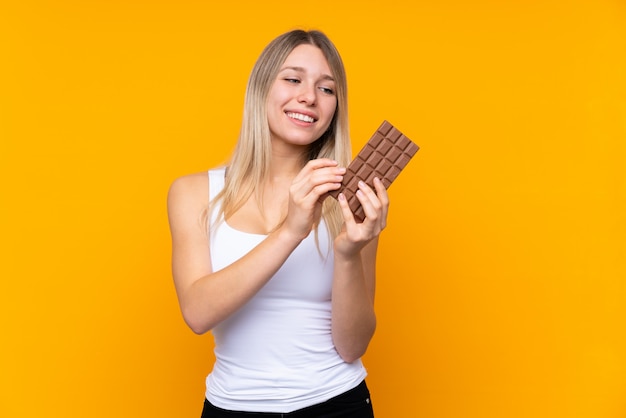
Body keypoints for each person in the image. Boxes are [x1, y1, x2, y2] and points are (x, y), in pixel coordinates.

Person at [167, 29, 389, 417]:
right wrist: (291, 231)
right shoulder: (193, 193)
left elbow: (352, 345)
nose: (309, 96)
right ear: (261, 87)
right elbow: (197, 313)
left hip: (336, 404)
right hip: (232, 407)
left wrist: (349, 253)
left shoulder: (352, 200)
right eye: (292, 79)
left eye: (327, 89)